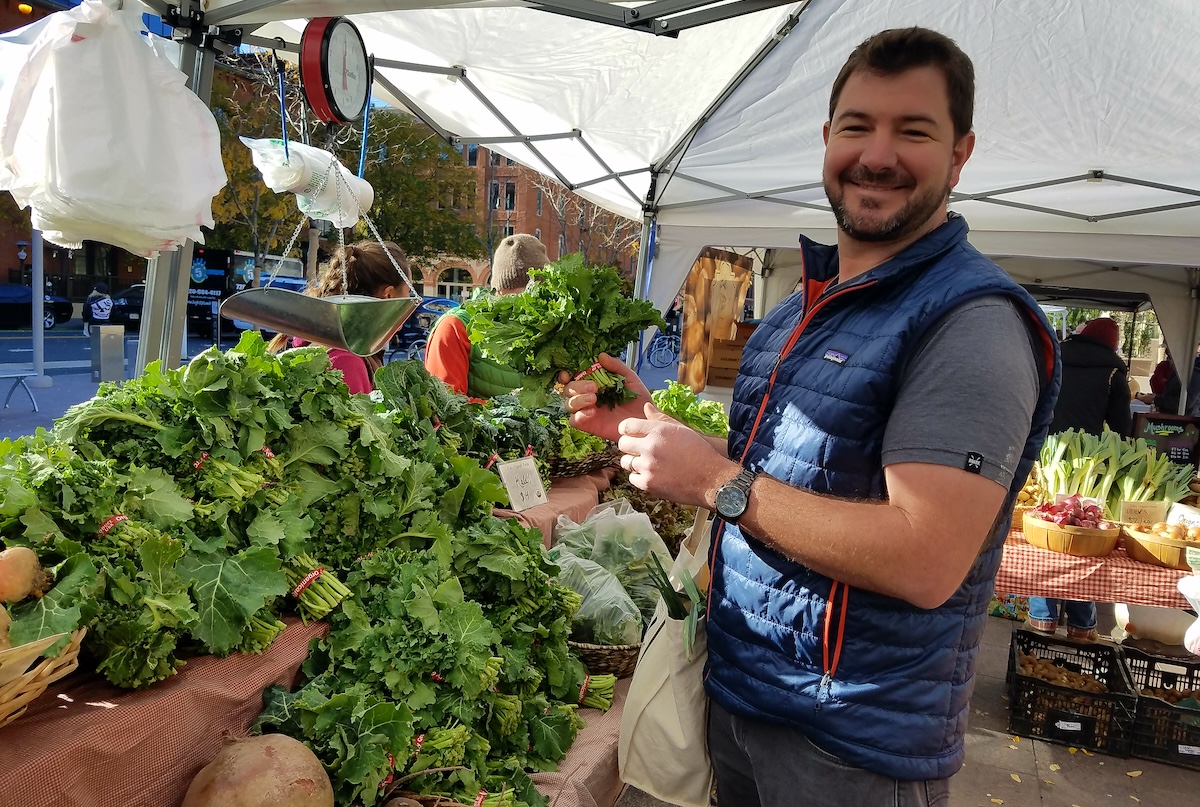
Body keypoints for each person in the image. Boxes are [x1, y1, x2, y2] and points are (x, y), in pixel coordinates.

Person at [562, 27, 1060, 806]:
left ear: (961, 154)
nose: (879, 153)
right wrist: (650, 422)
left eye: (914, 130)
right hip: (745, 697)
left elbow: (925, 557)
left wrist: (720, 480)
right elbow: (796, 468)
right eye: (858, 126)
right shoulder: (802, 304)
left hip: (851, 747)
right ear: (827, 139)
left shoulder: (971, 322)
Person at [1029, 317, 1130, 642]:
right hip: (1088, 464)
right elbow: (1120, 430)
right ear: (1112, 344)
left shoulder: (1054, 357)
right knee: (1080, 539)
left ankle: (1042, 619)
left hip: (1045, 459)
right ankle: (1082, 625)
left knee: (1046, 534)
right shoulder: (1114, 373)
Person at [268, 241, 410, 394]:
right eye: (408, 291)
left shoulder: (334, 345)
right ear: (388, 295)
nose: (410, 300)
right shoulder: (347, 362)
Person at [424, 233, 549, 397]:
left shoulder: (550, 326)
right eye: (522, 292)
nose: (530, 303)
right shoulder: (455, 326)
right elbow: (444, 407)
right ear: (499, 289)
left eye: (540, 292)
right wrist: (516, 414)